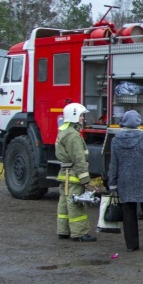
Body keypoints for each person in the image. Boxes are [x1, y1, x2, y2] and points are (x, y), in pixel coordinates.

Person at [108, 110, 143, 252]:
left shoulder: (116, 140)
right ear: (138, 122)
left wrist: (112, 183)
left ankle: (131, 245)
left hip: (125, 181)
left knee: (128, 212)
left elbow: (113, 164)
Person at [56, 103, 96, 243]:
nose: (82, 118)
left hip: (65, 174)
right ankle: (80, 233)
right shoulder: (73, 136)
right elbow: (79, 160)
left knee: (64, 202)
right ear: (74, 116)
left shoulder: (64, 131)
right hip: (73, 175)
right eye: (80, 115)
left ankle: (64, 231)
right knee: (76, 202)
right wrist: (85, 181)